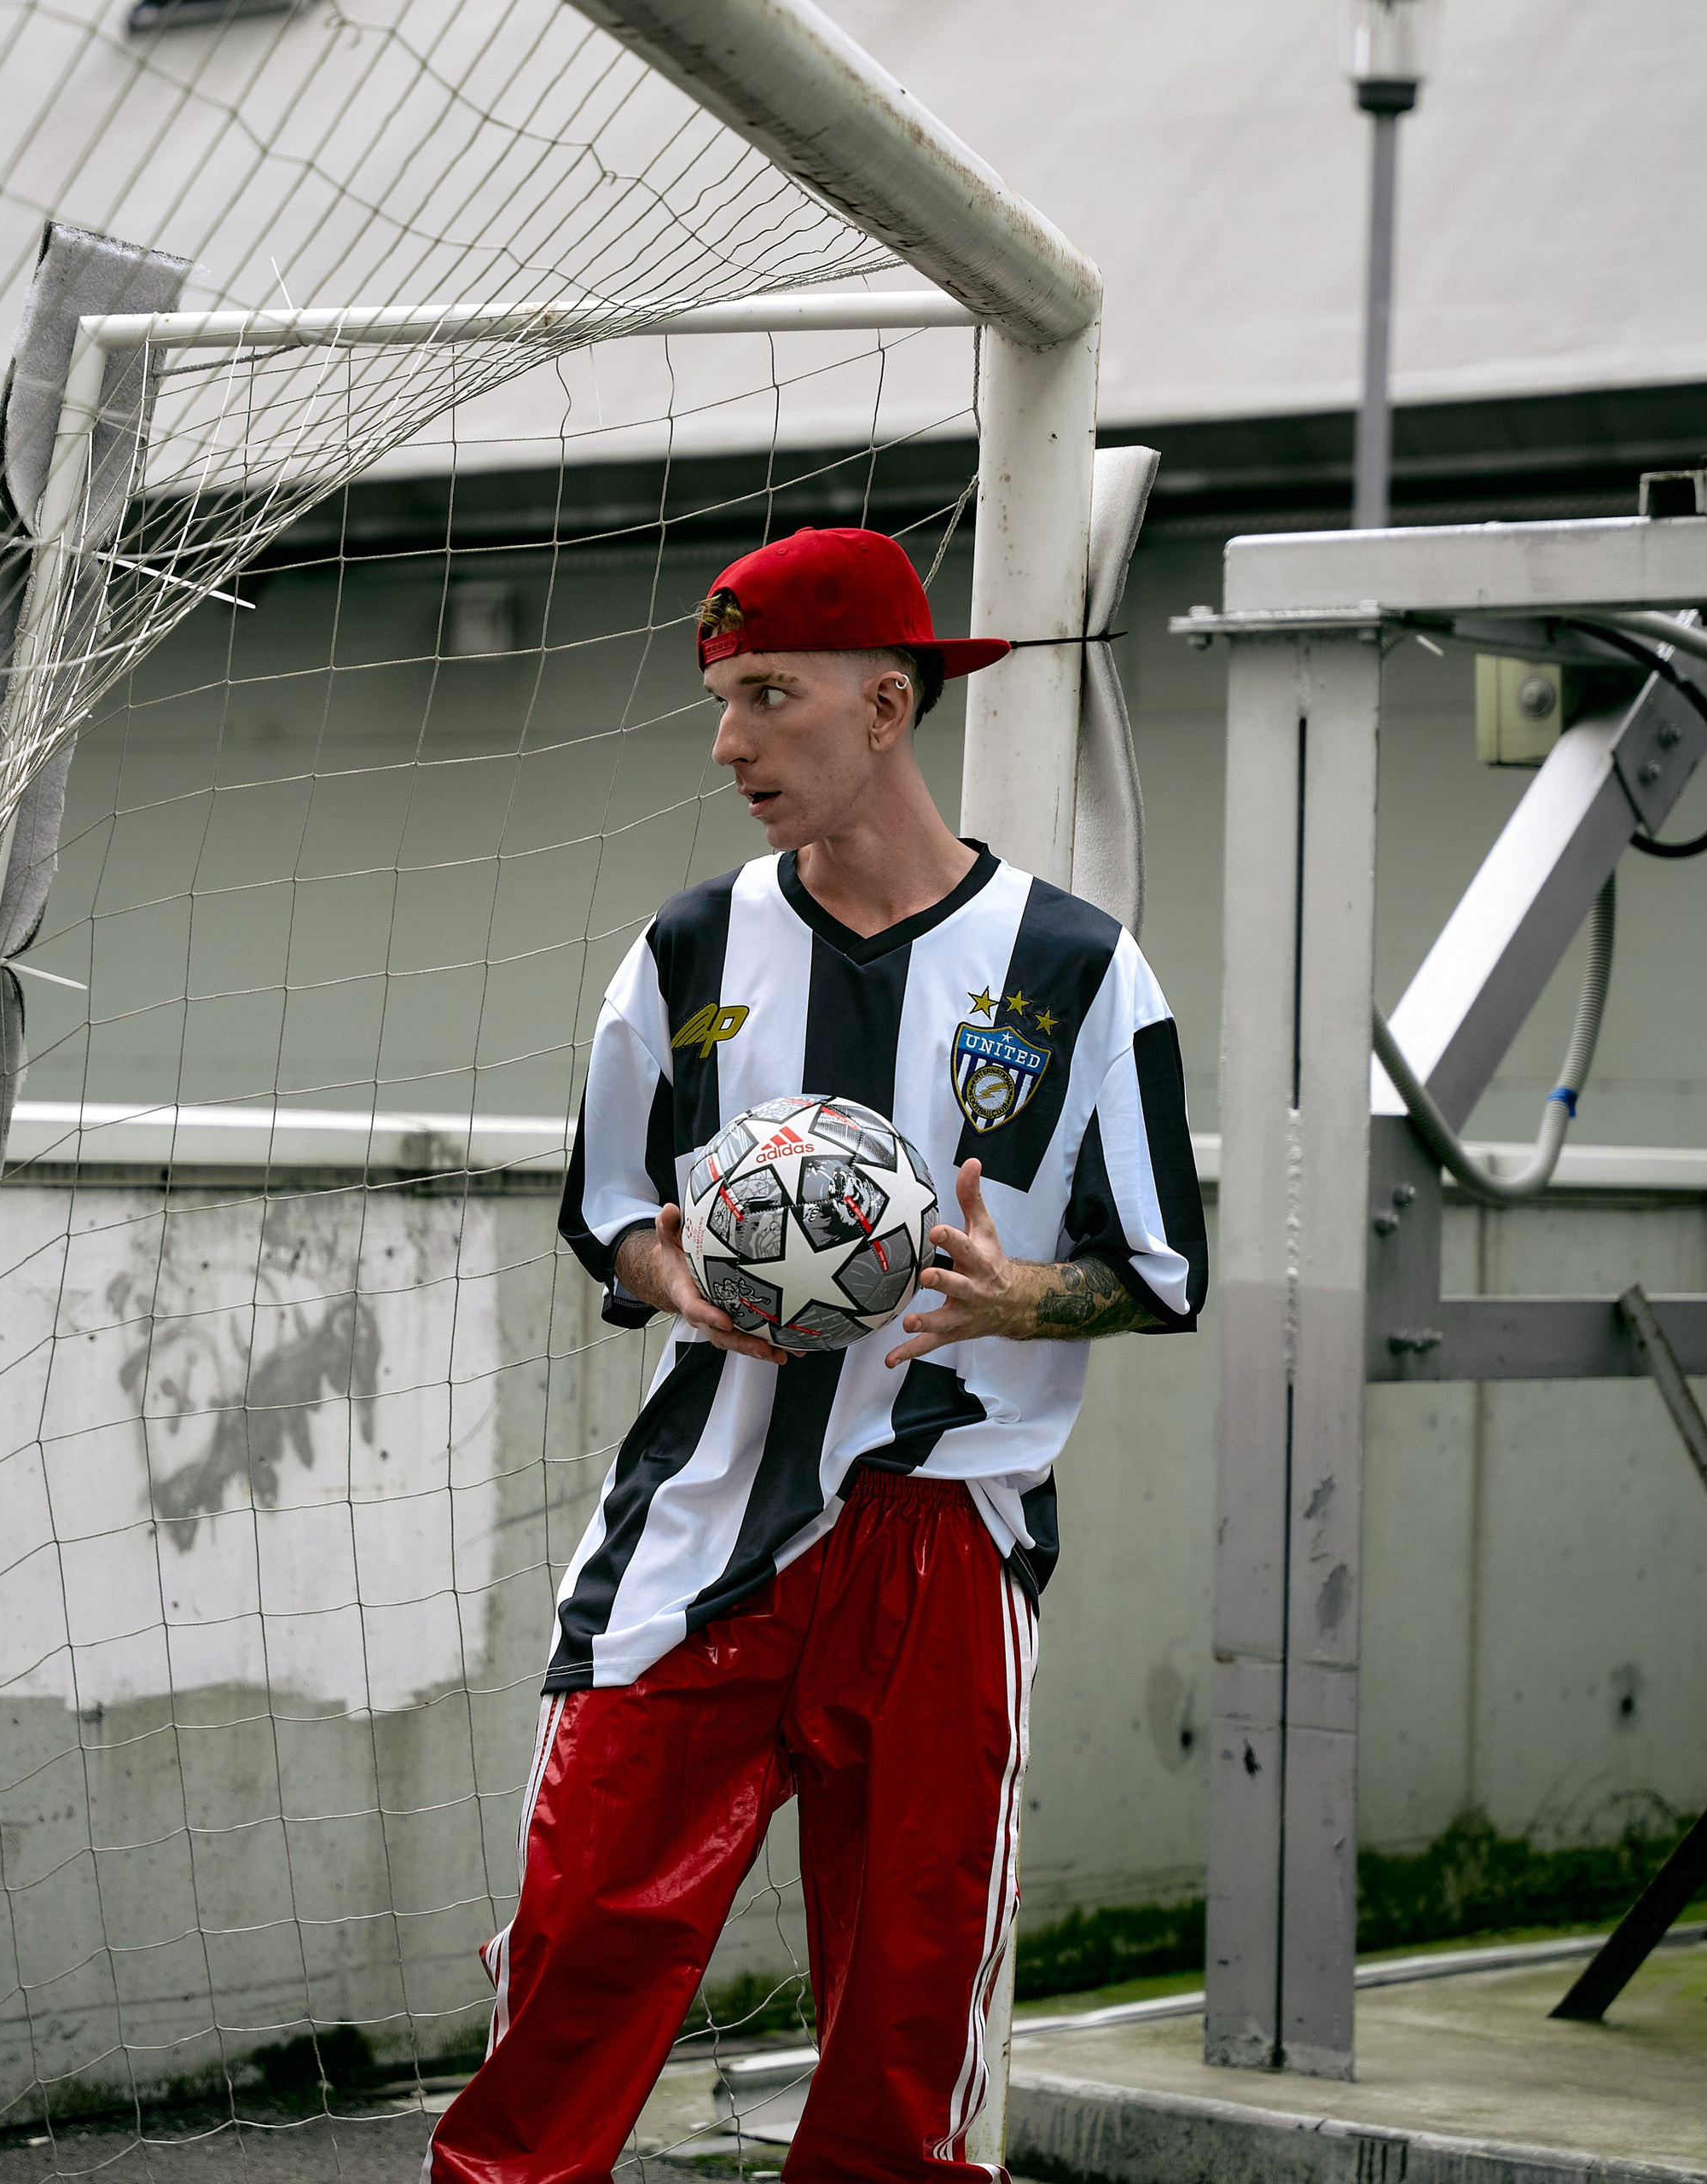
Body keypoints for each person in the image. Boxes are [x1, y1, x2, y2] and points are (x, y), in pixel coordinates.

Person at [428, 526, 1205, 2183]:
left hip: (943, 1533)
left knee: (907, 2008)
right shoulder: (688, 947)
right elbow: (605, 1205)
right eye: (718, 702)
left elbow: (1158, 1270)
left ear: (884, 703)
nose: (726, 742)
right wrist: (684, 1272)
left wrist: (1020, 1296)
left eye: (765, 696)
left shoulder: (1075, 967)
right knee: (579, 1941)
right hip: (703, 1511)